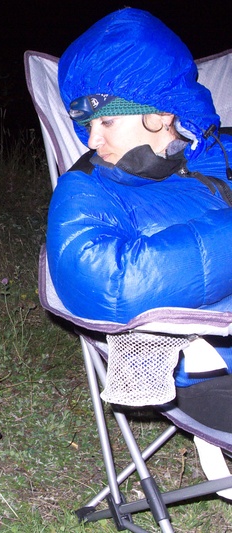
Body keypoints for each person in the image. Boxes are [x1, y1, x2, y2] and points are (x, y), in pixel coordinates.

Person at [46, 7, 232, 431]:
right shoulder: (88, 186)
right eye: (88, 124)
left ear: (162, 110)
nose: (92, 139)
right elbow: (108, 281)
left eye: (107, 120)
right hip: (209, 366)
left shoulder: (224, 151)